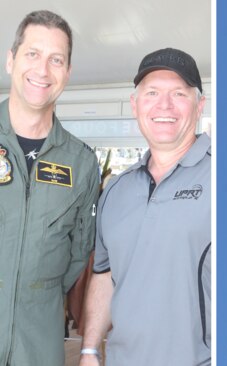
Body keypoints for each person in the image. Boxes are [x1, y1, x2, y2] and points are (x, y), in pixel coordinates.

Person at [80, 48, 211, 365]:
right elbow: (104, 274)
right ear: (135, 105)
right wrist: (89, 349)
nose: (164, 105)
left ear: (199, 105)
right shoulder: (116, 189)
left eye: (178, 93)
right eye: (152, 93)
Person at [0, 10, 100, 366]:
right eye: (32, 54)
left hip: (38, 345)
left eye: (56, 59)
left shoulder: (82, 163)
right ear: (11, 60)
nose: (43, 70)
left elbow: (79, 251)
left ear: (67, 72)